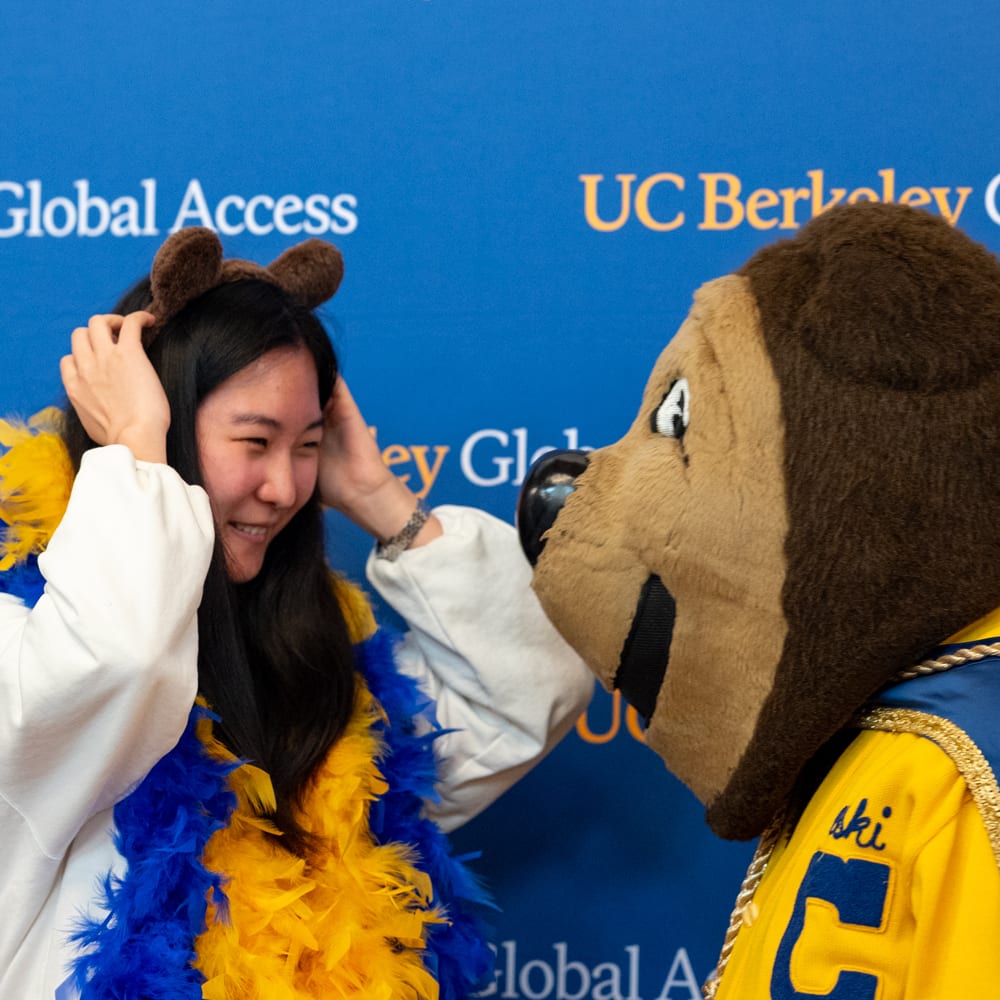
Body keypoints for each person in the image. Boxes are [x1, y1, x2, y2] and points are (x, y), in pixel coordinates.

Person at [0, 228, 593, 1000]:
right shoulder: (24, 635)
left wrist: (379, 497)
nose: (284, 487)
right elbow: (122, 659)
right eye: (254, 440)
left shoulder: (316, 666)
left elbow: (533, 681)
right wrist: (139, 449)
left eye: (306, 445)